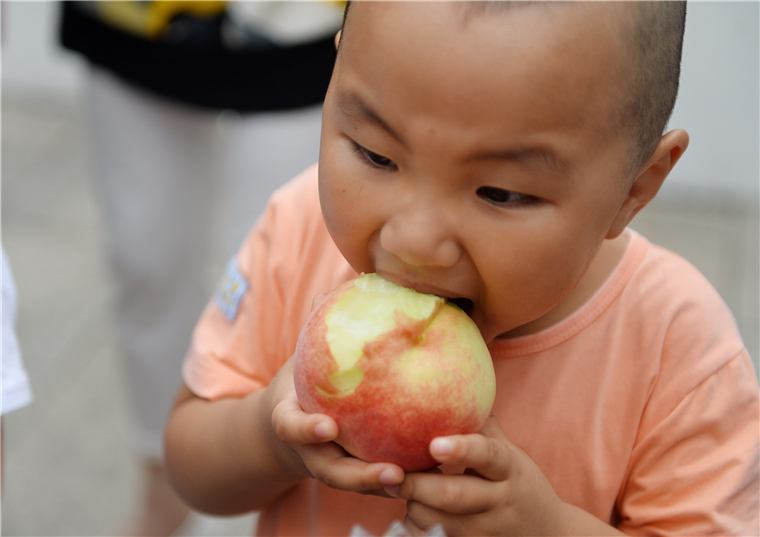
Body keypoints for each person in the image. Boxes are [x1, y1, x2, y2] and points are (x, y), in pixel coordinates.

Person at [164, 3, 760, 536]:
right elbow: (190, 466)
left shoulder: (678, 350)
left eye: (499, 193)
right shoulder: (298, 230)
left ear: (636, 187)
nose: (414, 241)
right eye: (376, 154)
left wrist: (545, 530)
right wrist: (267, 441)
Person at [59, 2, 342, 535]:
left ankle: (261, 498)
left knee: (285, 294)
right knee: (146, 257)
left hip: (308, 20)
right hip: (136, 18)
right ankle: (162, 481)